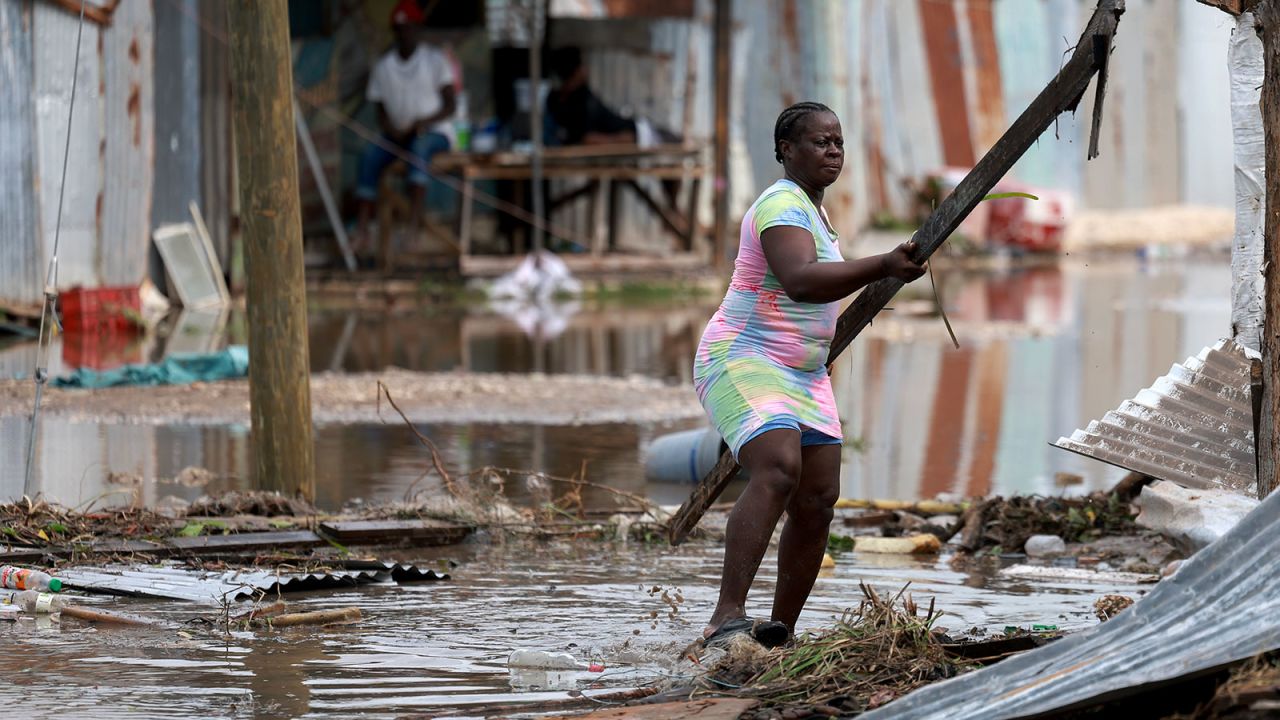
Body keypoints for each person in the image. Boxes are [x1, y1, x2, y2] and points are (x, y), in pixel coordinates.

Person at [693, 102, 927, 648]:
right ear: (785, 150)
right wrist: (884, 264)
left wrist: (882, 265)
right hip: (743, 358)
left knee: (819, 496)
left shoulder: (816, 213)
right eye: (820, 142)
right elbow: (799, 280)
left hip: (802, 373)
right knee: (778, 468)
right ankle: (726, 617)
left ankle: (780, 632)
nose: (833, 151)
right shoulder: (780, 205)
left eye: (838, 142)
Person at [354, 0, 458, 255]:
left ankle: (414, 228)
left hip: (435, 134)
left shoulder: (435, 61)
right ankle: (363, 231)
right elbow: (380, 111)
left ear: (417, 29)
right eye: (400, 29)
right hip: (397, 135)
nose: (405, 34)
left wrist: (424, 122)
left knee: (419, 148)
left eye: (409, 28)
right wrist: (394, 130)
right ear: (394, 31)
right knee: (369, 156)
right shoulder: (383, 66)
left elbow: (450, 106)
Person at [545, 47, 677, 148]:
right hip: (636, 136)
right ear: (576, 71)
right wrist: (621, 140)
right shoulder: (573, 103)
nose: (585, 69)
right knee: (675, 145)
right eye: (582, 66)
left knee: (674, 141)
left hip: (637, 131)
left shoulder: (578, 93)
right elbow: (588, 138)